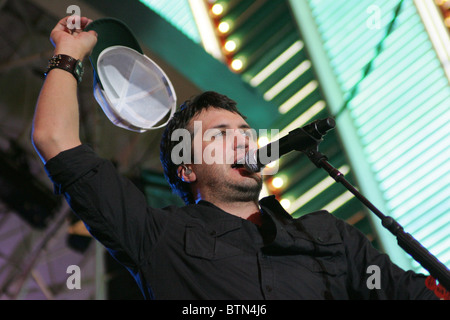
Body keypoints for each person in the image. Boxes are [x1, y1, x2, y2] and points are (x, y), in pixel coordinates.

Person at [32, 16, 438, 300]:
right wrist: (69, 52)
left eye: (246, 133)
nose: (244, 142)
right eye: (221, 135)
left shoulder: (329, 235)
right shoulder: (156, 236)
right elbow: (54, 138)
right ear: (186, 166)